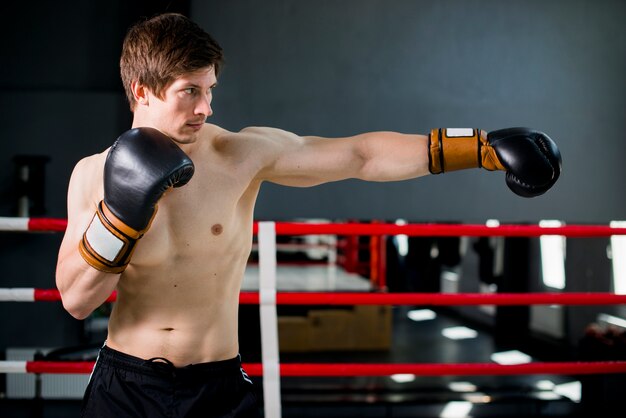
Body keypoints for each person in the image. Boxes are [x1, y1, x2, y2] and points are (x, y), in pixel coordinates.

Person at [55, 12, 561, 418]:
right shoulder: (93, 176)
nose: (206, 107)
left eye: (210, 90)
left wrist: (477, 148)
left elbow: (360, 155)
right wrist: (120, 213)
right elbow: (77, 300)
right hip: (127, 386)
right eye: (190, 90)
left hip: (217, 385)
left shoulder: (239, 154)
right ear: (142, 90)